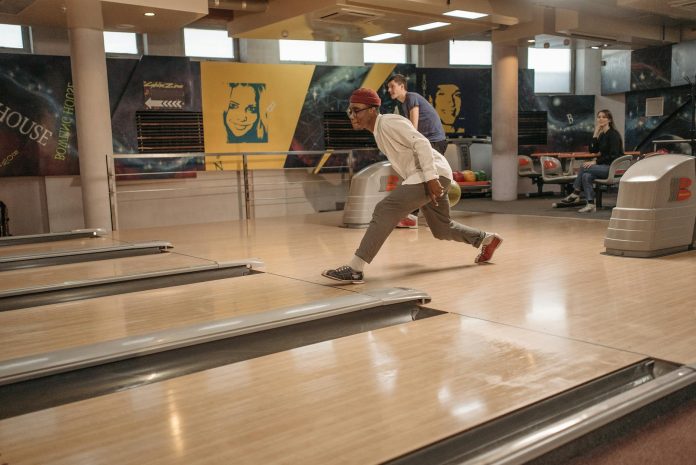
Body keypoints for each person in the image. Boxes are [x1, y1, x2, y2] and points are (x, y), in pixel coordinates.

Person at [321, 88, 502, 284]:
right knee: (442, 228)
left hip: (432, 174)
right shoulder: (378, 133)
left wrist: (431, 180)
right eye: (350, 111)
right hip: (430, 175)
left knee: (384, 209)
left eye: (356, 110)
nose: (352, 115)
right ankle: (487, 239)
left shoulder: (389, 122)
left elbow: (422, 143)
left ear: (373, 109)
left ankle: (355, 268)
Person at [387, 74, 449, 228]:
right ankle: (430, 217)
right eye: (388, 87)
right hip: (429, 142)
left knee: (423, 176)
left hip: (434, 141)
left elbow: (413, 128)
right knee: (424, 177)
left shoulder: (411, 98)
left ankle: (414, 216)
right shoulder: (404, 104)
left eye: (392, 86)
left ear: (402, 86)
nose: (389, 90)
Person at [558, 109, 624, 213]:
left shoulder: (613, 135)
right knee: (586, 176)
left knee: (583, 166)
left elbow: (614, 155)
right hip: (603, 167)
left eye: (603, 117)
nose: (600, 119)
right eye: (599, 117)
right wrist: (595, 134)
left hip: (612, 167)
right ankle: (590, 204)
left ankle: (576, 192)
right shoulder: (602, 135)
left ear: (609, 120)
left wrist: (595, 162)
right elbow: (593, 150)